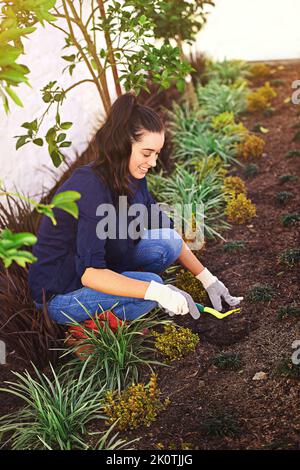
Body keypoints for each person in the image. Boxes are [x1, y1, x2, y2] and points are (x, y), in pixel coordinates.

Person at [28, 92, 243, 325]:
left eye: (156, 154)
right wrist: (156, 292)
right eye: (146, 153)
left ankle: (129, 286)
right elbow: (89, 274)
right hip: (63, 292)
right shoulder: (90, 188)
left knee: (168, 240)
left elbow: (165, 228)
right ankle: (87, 331)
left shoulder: (133, 177)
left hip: (103, 267)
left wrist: (208, 279)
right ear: (122, 146)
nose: (152, 162)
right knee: (149, 293)